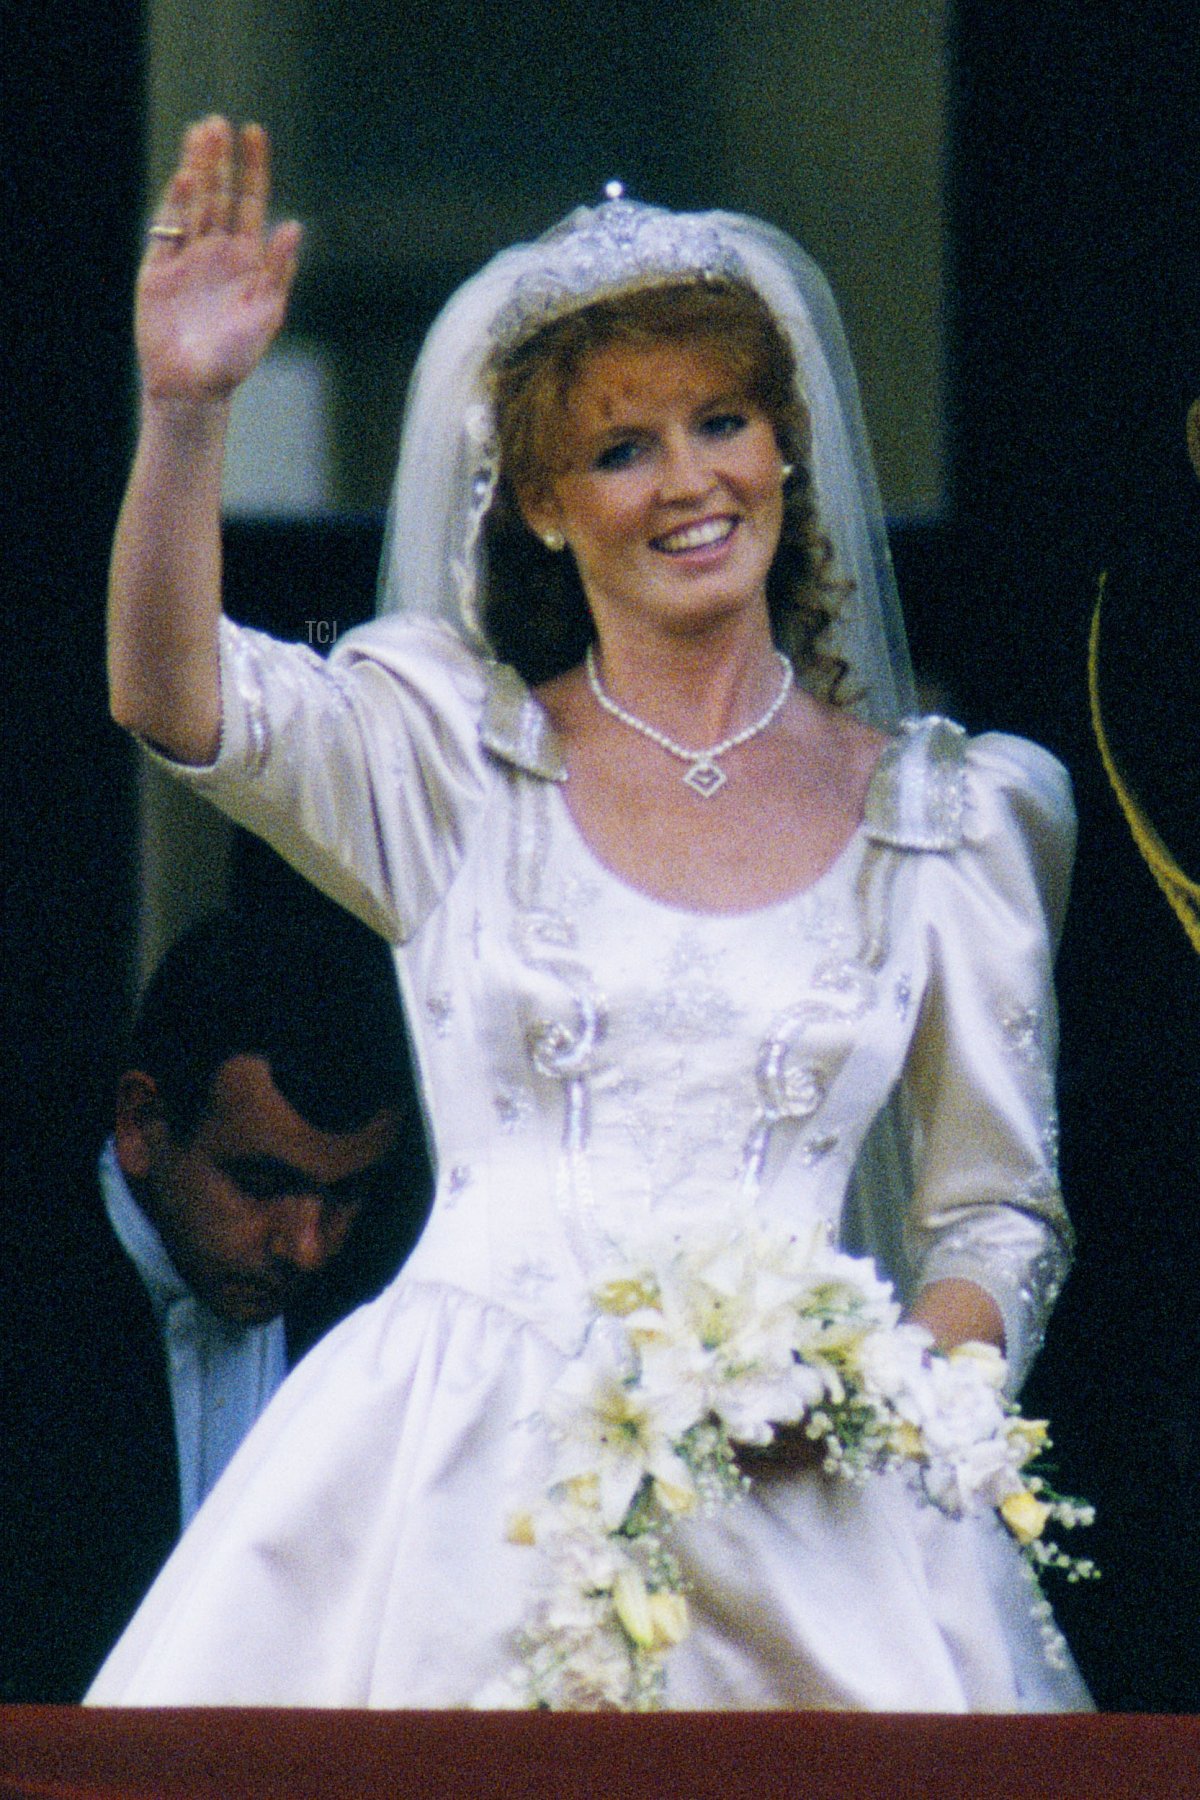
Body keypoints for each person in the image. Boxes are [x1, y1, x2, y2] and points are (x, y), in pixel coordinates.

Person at [86, 116, 1089, 1710]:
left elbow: (990, 1216)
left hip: (813, 1527)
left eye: (723, 421)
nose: (688, 480)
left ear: (784, 447)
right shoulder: (446, 758)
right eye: (622, 449)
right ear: (543, 502)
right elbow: (172, 694)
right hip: (454, 1485)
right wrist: (189, 408)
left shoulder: (949, 820)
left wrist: (879, 1398)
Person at [2, 904, 428, 1702]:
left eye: (345, 1196)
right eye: (262, 1185)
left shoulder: (400, 1294)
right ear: (142, 1125)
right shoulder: (23, 1301)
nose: (306, 1245)